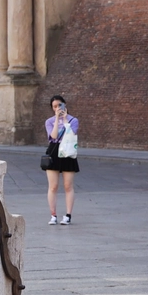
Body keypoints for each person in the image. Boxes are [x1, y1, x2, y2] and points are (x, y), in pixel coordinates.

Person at [44, 95, 80, 225]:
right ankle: (53, 215)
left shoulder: (73, 120)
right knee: (53, 186)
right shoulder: (49, 121)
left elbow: (71, 134)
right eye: (54, 106)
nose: (57, 108)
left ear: (65, 105)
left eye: (59, 105)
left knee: (68, 185)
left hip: (68, 151)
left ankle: (68, 215)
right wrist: (57, 118)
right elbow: (53, 136)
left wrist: (65, 119)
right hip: (54, 152)